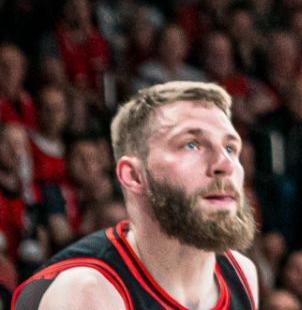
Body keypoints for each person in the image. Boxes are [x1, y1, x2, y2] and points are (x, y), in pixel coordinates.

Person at [11, 81, 261, 309]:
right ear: (133, 175)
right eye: (191, 145)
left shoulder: (242, 273)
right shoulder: (89, 292)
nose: (225, 164)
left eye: (230, 148)